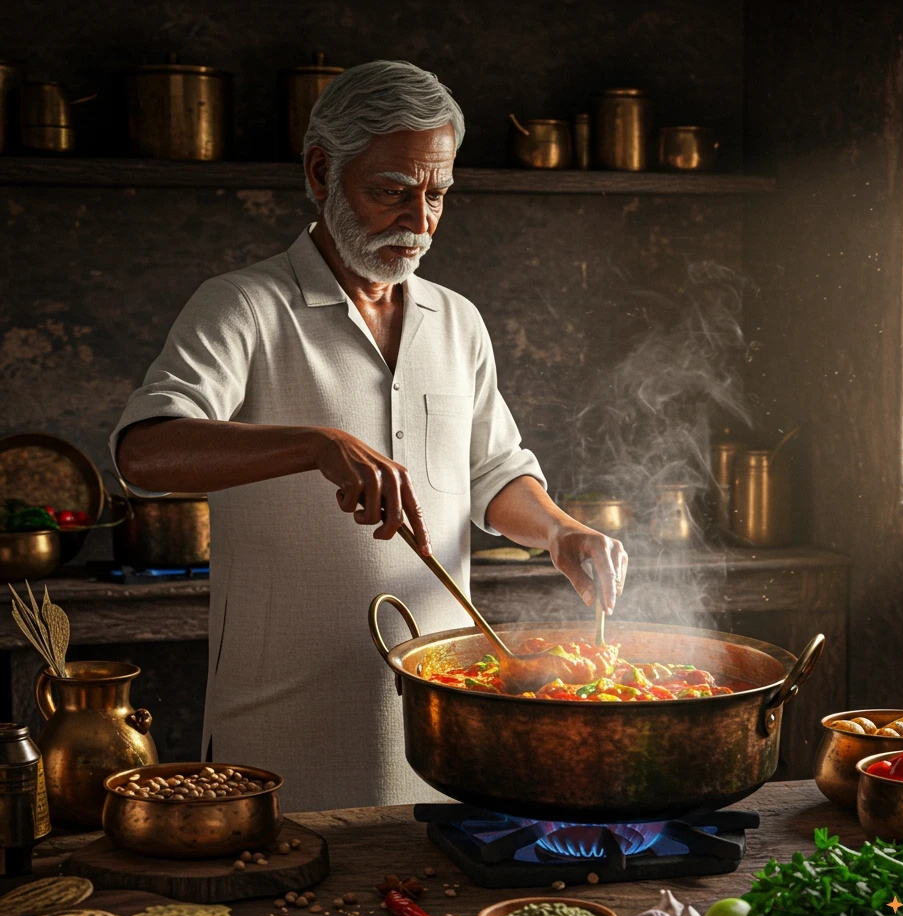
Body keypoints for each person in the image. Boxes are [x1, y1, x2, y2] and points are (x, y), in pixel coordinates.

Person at [112, 60, 628, 811]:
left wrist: (560, 531)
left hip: (445, 712)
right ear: (321, 173)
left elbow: (492, 470)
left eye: (438, 195)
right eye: (391, 191)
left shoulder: (456, 320)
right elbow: (143, 455)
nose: (419, 220)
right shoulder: (245, 307)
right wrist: (314, 444)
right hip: (284, 723)